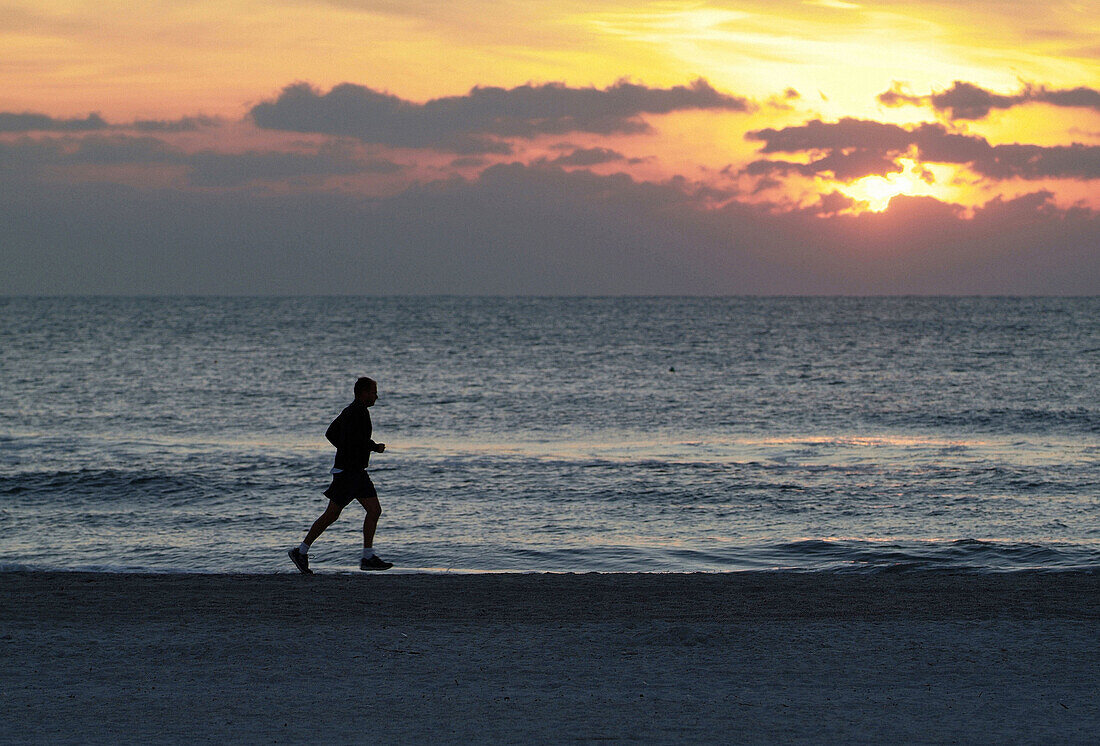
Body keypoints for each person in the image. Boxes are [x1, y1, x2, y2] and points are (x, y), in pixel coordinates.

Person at [288, 377, 393, 573]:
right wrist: (374, 447)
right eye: (373, 392)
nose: (376, 396)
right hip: (349, 473)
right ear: (362, 393)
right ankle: (301, 552)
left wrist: (346, 449)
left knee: (369, 510)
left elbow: (332, 433)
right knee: (334, 514)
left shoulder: (350, 410)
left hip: (355, 471)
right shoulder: (358, 412)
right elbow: (358, 440)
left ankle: (367, 556)